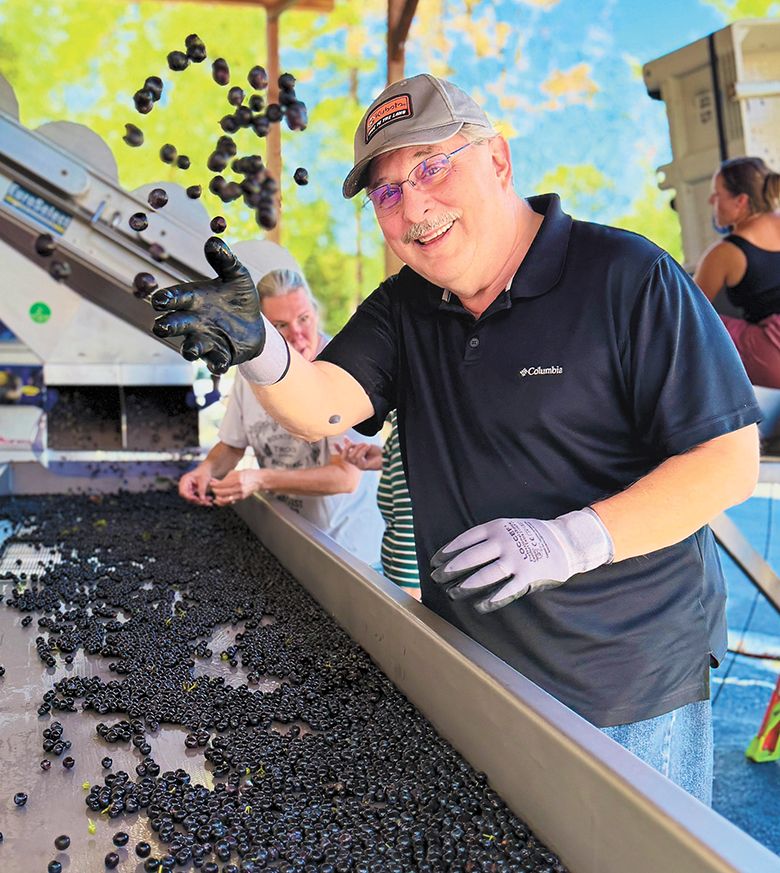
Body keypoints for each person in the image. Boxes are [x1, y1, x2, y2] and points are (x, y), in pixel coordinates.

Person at [152, 74, 761, 804]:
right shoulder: (405, 307)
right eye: (385, 192)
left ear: (498, 161)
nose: (413, 206)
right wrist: (260, 348)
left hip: (623, 682)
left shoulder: (627, 277)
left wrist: (568, 541)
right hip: (473, 667)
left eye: (432, 167)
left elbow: (727, 463)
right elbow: (324, 406)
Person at [177, 267, 384, 568]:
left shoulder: (347, 371)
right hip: (288, 541)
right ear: (265, 333)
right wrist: (206, 470)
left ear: (315, 313)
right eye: (281, 325)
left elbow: (345, 477)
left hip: (348, 555)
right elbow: (233, 445)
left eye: (304, 319)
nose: (298, 334)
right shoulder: (252, 374)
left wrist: (261, 480)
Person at [694, 156, 780, 388]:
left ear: (741, 200)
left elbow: (686, 312)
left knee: (696, 322)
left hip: (775, 354)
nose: (711, 199)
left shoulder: (726, 252)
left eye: (717, 194)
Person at [337, 410, 421, 598]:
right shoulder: (402, 418)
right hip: (393, 573)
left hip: (407, 590)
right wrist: (389, 458)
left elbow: (410, 523)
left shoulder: (421, 413)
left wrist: (405, 603)